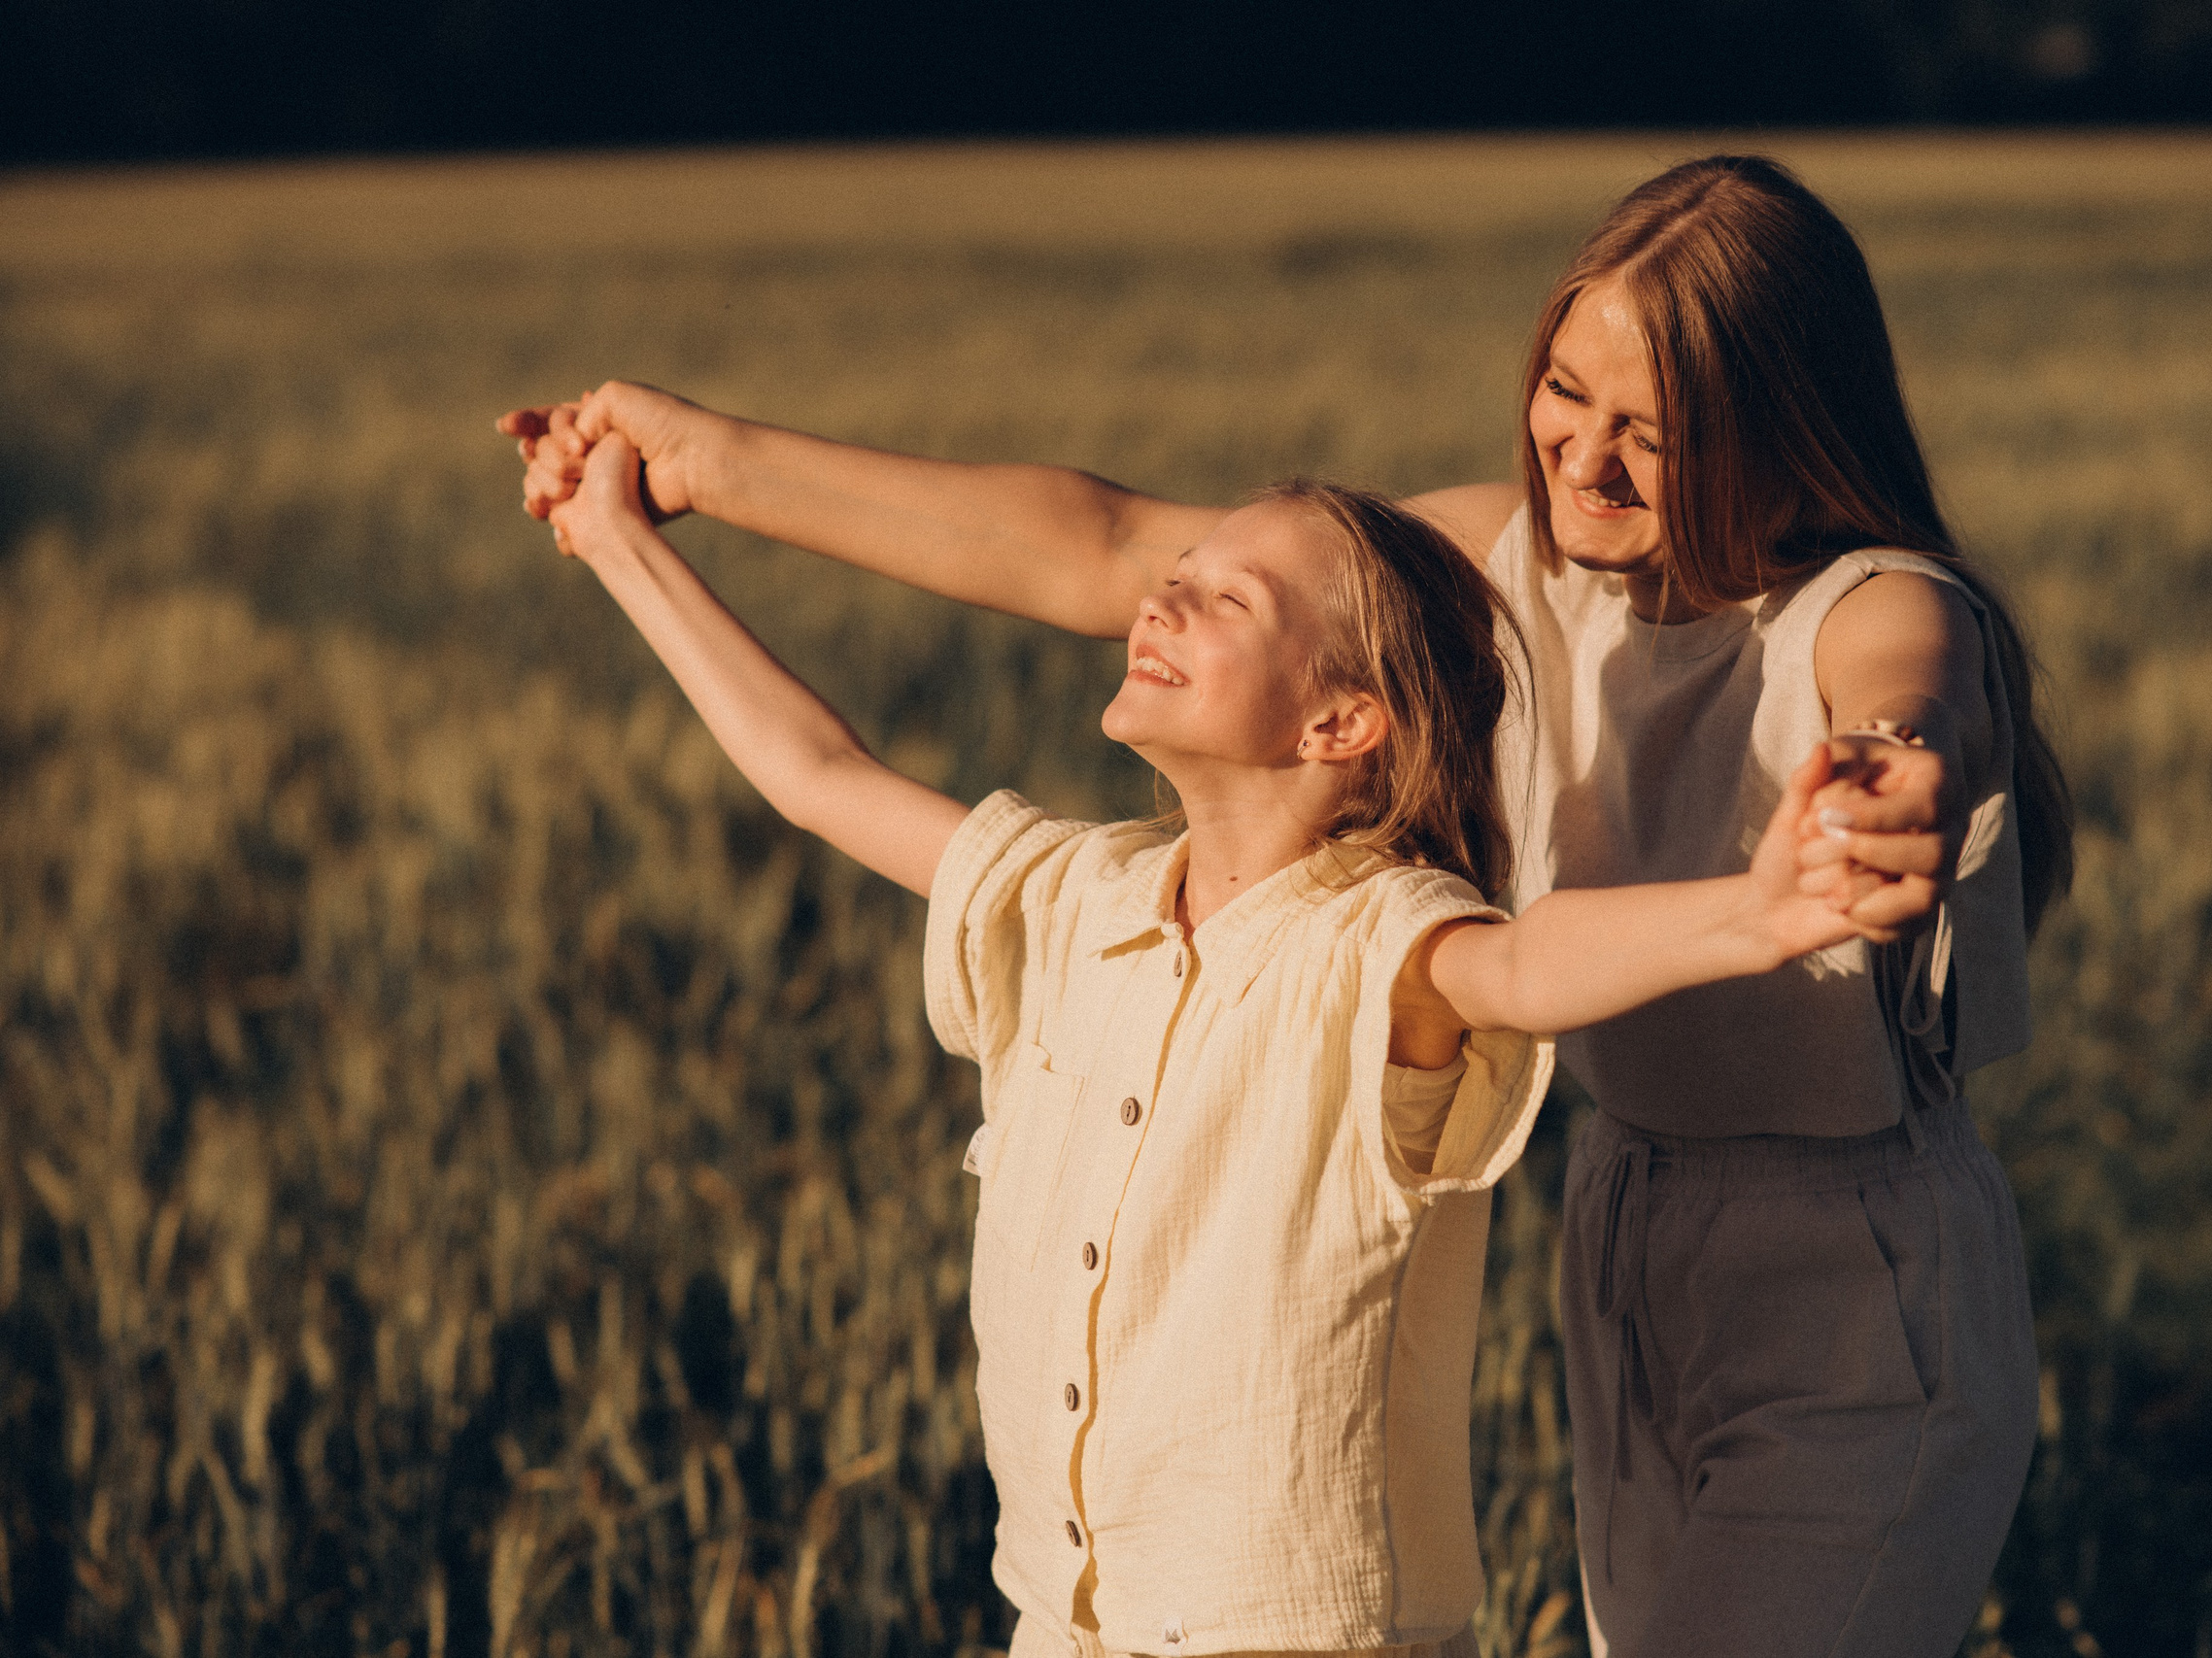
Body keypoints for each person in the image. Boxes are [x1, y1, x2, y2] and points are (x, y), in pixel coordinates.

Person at [502, 152, 2073, 1656]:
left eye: (1652, 436)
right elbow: (1107, 544)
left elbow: (1898, 696)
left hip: (1857, 1271)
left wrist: (1872, 778)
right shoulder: (1512, 567)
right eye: (1566, 396)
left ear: (1782, 429)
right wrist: (705, 467)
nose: (1583, 462)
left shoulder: (1871, 606)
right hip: (1630, 1225)